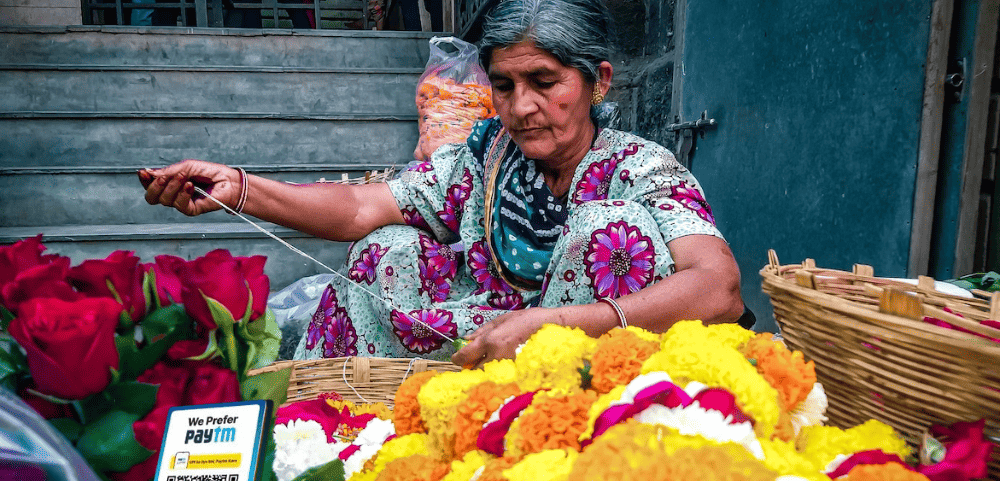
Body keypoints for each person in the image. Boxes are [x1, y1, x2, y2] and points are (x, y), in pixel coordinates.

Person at [140, 0, 745, 369]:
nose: (523, 105)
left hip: (597, 365)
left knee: (610, 232)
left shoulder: (643, 168)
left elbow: (718, 289)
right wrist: (238, 188)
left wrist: (559, 327)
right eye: (505, 86)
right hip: (484, 345)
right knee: (384, 248)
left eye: (544, 81)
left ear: (598, 81)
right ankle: (359, 423)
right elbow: (358, 208)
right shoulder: (484, 161)